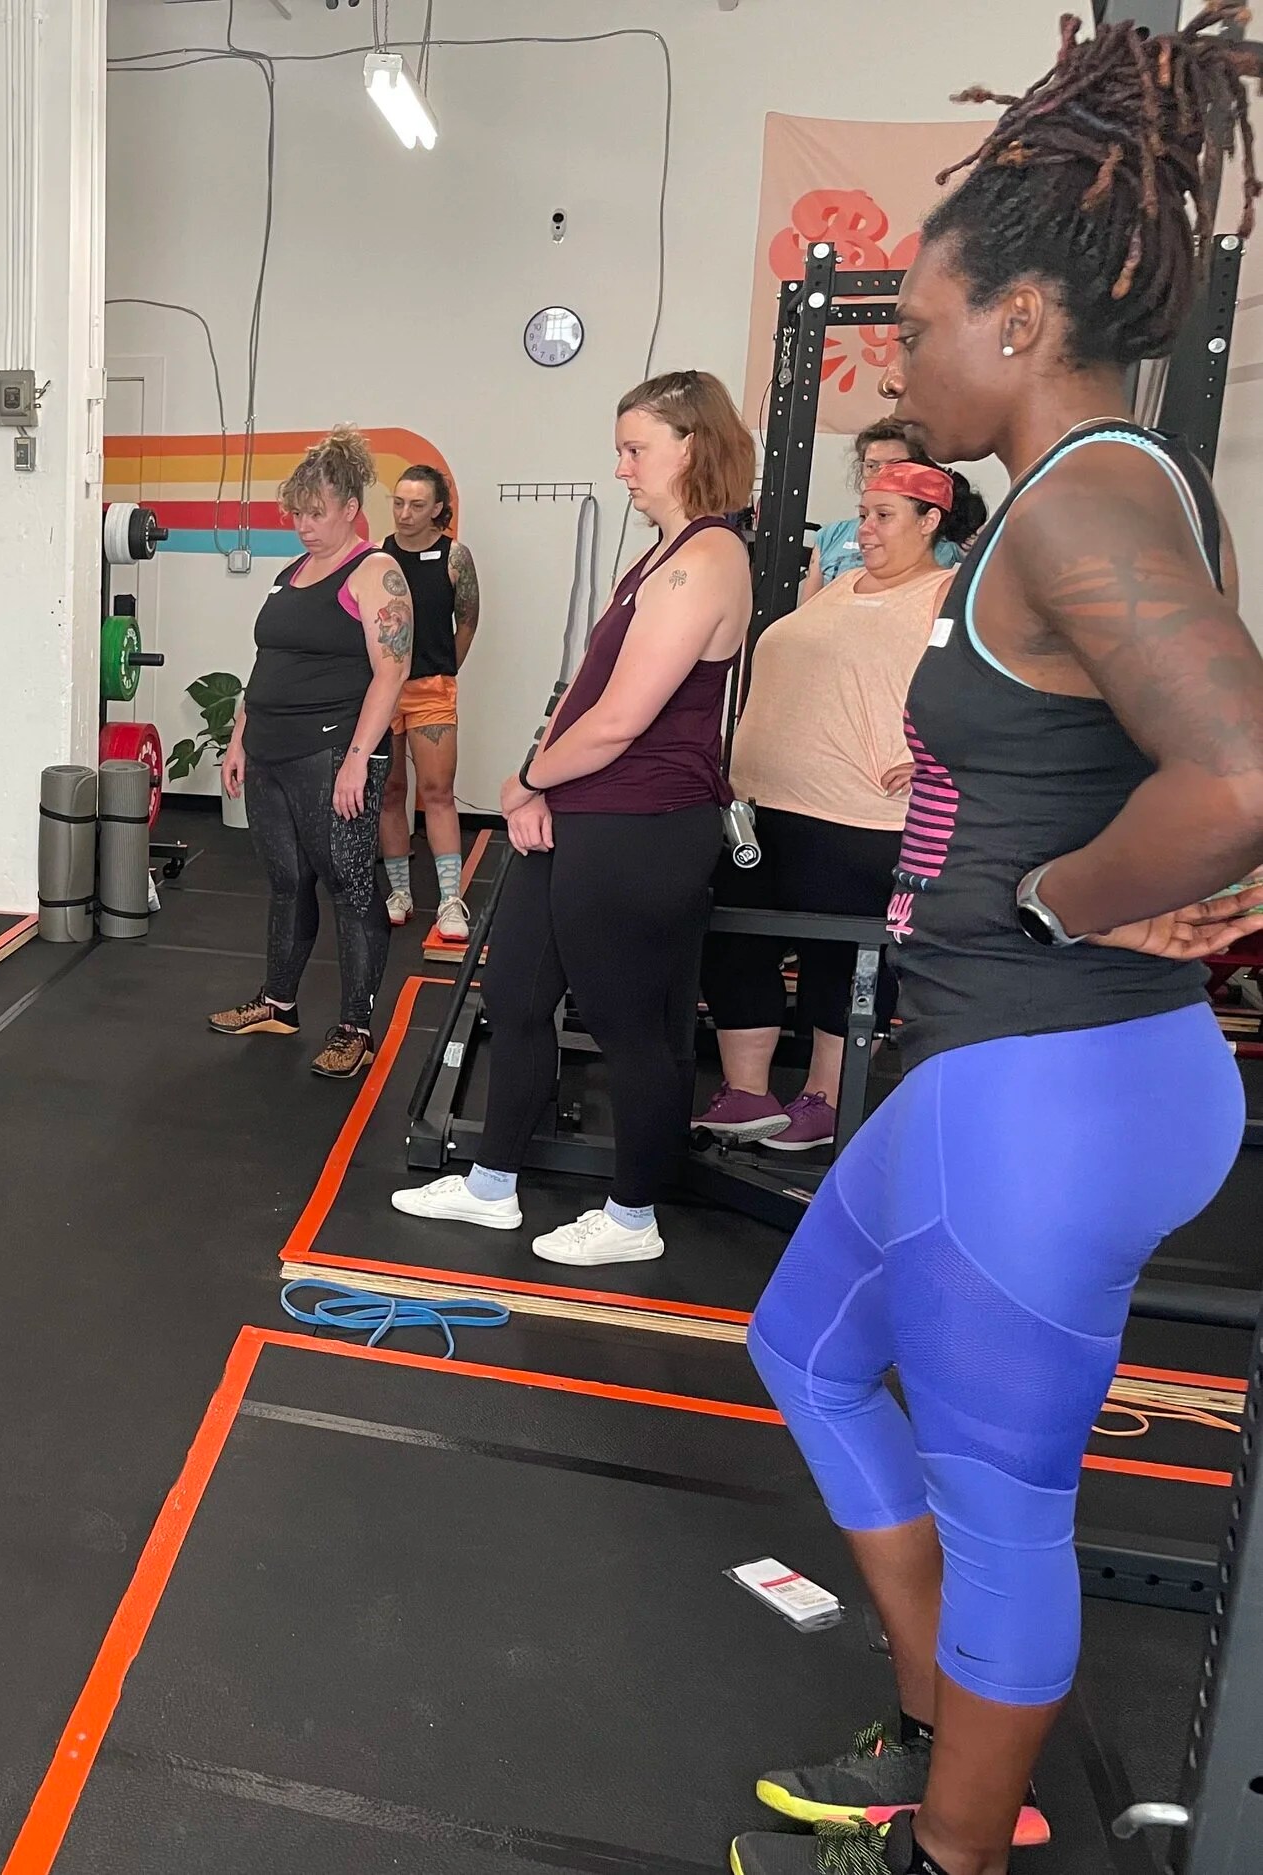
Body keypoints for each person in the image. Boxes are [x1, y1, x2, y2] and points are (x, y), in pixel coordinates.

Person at [732, 12, 1263, 1875]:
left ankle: (953, 1848)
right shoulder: (1087, 495)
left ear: (1022, 322)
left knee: (1005, 1504)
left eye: (927, 320)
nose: (900, 355)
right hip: (1030, 1071)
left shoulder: (1092, 492)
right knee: (805, 1345)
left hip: (1051, 1085)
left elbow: (1241, 769)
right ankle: (939, 1726)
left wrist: (1059, 895)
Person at [391, 371, 755, 1264]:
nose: (621, 468)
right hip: (580, 806)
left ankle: (633, 1218)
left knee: (628, 1023)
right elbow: (583, 693)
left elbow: (623, 719)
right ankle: (492, 1184)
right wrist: (543, 782)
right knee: (515, 992)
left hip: (643, 822)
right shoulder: (656, 558)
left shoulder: (709, 557)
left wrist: (523, 781)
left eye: (636, 449)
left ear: (691, 447)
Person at [696, 459, 987, 1152]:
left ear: (930, 521)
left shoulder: (951, 594)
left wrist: (941, 758)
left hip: (859, 818)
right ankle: (746, 1093)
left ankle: (827, 1098)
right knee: (735, 942)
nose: (865, 530)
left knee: (842, 960)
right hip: (758, 808)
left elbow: (997, 692)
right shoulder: (837, 586)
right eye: (863, 514)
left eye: (884, 516)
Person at [209, 426, 411, 1078]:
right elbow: (267, 663)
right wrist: (240, 738)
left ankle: (355, 1028)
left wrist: (358, 758)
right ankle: (277, 1003)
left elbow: (392, 671)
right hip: (270, 751)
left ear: (350, 507)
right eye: (297, 513)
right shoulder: (289, 575)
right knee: (287, 882)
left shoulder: (376, 573)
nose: (303, 526)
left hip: (331, 754)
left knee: (352, 888)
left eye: (316, 513)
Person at [375, 464, 482, 944]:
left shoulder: (455, 557)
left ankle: (449, 899)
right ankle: (399, 892)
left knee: (437, 791)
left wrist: (445, 669)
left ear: (437, 508)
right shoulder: (380, 555)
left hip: (432, 688)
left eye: (417, 505)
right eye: (399, 502)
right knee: (390, 791)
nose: (405, 513)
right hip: (384, 690)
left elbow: (468, 620)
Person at [801, 418, 970, 599]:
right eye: (872, 465)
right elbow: (807, 610)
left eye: (895, 465)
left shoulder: (945, 542)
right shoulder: (831, 535)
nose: (882, 473)